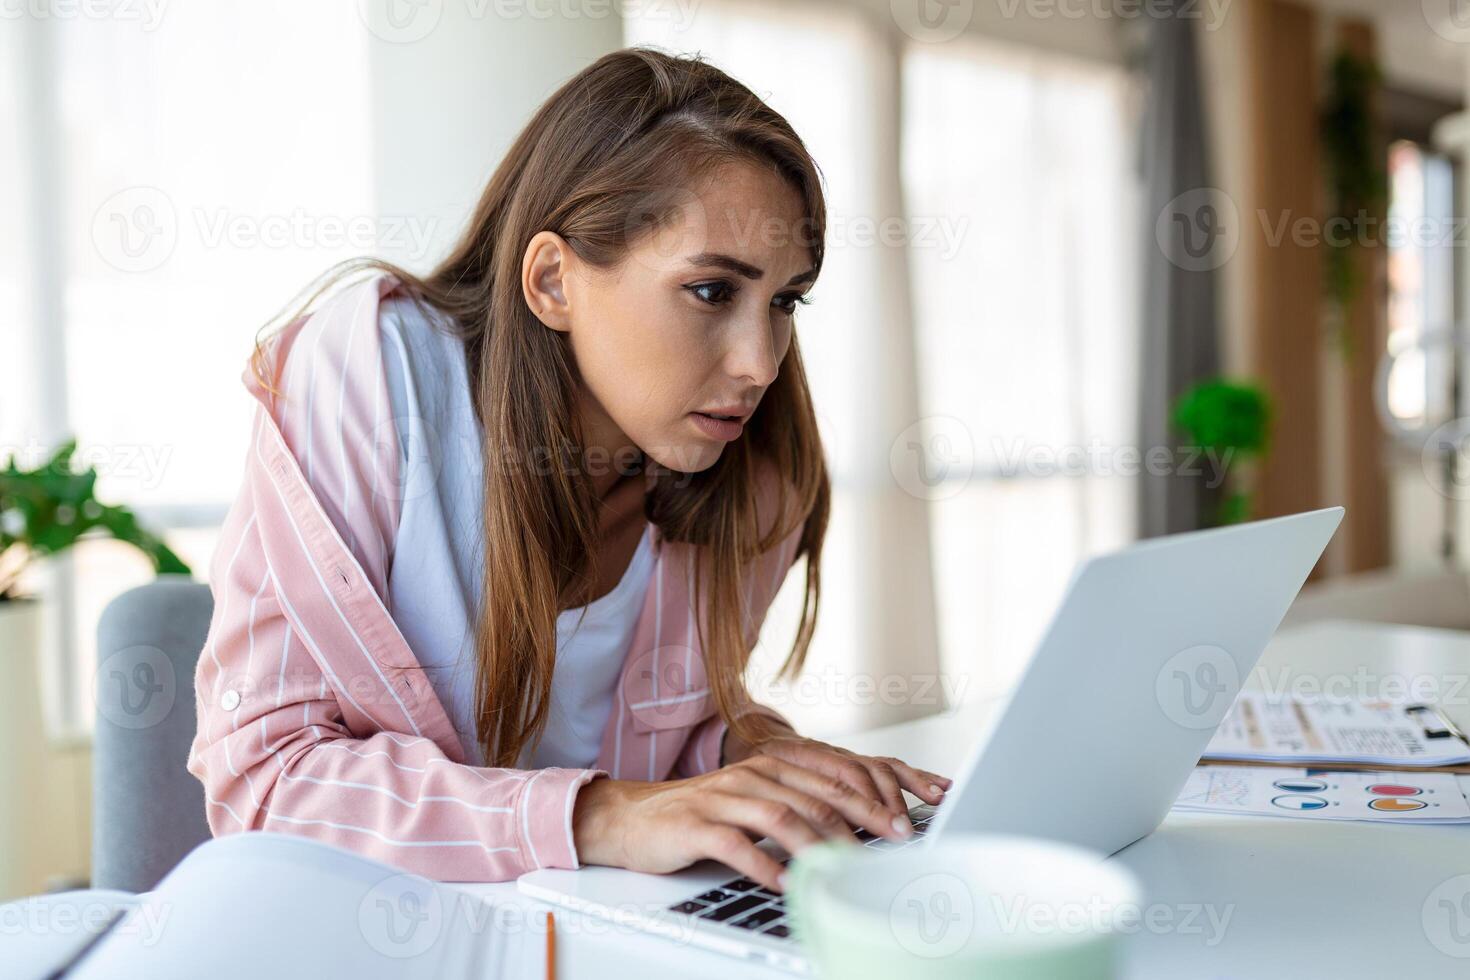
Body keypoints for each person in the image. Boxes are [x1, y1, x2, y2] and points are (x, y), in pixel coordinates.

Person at [187, 47, 950, 892]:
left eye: (784, 301)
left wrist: (753, 751)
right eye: (710, 292)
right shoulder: (372, 381)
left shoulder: (753, 470)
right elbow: (264, 782)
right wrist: (598, 815)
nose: (761, 365)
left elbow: (658, 737)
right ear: (553, 280)